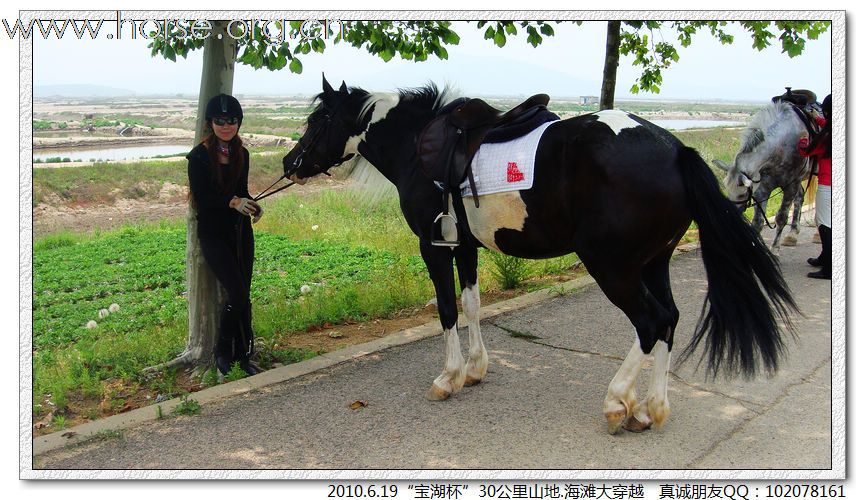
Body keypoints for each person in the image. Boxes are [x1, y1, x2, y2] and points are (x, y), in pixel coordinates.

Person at [187, 94, 263, 375]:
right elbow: (203, 197)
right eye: (220, 121)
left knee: (245, 294)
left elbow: (241, 190)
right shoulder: (198, 157)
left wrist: (251, 204)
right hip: (213, 234)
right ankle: (222, 350)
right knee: (238, 293)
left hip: (240, 232)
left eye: (231, 120)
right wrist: (233, 202)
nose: (226, 125)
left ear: (238, 123)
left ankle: (244, 356)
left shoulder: (242, 154)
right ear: (211, 123)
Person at [798, 94, 831, 280]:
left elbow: (806, 151)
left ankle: (829, 268)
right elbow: (827, 122)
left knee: (824, 225)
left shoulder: (826, 137)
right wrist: (816, 118)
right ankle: (825, 257)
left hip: (828, 187)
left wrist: (802, 139)